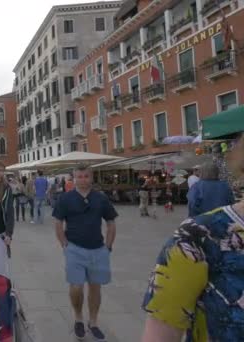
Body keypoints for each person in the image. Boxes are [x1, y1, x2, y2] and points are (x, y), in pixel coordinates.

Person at [141, 134, 244, 342]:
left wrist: (196, 220)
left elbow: (192, 203)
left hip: (214, 222)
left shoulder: (195, 232)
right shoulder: (223, 187)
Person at [53, 165, 118, 341]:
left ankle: (94, 322)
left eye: (86, 176)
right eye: (79, 176)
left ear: (91, 178)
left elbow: (111, 222)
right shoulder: (66, 198)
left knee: (95, 288)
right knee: (76, 287)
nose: (82, 179)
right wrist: (64, 244)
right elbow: (58, 223)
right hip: (74, 248)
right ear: (74, 178)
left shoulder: (100, 198)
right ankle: (78, 318)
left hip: (98, 249)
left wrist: (108, 245)